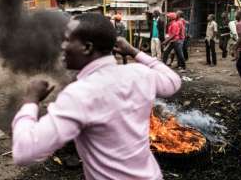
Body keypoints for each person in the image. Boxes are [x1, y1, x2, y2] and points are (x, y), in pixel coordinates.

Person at [11, 13, 181, 179]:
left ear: (87, 47)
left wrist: (30, 101)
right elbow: (173, 82)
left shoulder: (80, 94)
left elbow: (24, 152)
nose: (61, 46)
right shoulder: (140, 73)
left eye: (67, 39)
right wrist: (134, 51)